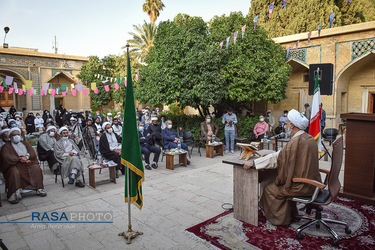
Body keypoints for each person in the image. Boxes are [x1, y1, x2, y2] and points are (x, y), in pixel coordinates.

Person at [245, 109, 321, 226]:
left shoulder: (296, 142)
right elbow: (286, 155)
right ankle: (292, 214)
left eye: (285, 124)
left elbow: (278, 158)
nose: (284, 127)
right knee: (279, 181)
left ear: (292, 125)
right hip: (314, 183)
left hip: (302, 186)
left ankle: (281, 219)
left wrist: (254, 163)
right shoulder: (309, 138)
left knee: (270, 189)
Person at [0, 127, 47, 204]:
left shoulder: (25, 144)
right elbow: (6, 157)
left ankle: (39, 189)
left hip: (27, 163)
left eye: (18, 134)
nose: (17, 136)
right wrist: (19, 159)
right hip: (14, 164)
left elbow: (32, 153)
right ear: (10, 137)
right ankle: (15, 193)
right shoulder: (6, 146)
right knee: (14, 172)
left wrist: (26, 157)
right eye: (14, 135)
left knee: (36, 168)